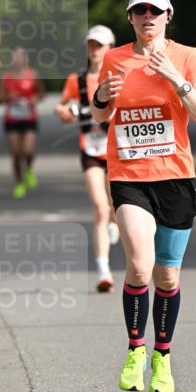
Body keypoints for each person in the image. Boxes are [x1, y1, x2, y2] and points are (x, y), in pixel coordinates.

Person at [91, 0, 196, 392]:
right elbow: (102, 116)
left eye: (155, 11)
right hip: (129, 176)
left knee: (166, 275)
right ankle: (135, 350)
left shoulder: (188, 57)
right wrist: (100, 99)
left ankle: (162, 356)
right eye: (139, 11)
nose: (148, 17)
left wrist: (176, 78)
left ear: (168, 16)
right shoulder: (114, 58)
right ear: (130, 17)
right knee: (140, 266)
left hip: (176, 178)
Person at [55, 25, 120, 293]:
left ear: (110, 49)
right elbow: (61, 105)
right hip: (91, 150)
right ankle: (103, 269)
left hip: (118, 150)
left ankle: (114, 222)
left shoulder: (118, 77)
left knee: (116, 207)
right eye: (91, 45)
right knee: (99, 208)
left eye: (100, 45)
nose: (95, 50)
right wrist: (64, 112)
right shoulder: (77, 80)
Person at [0, 47, 45, 198]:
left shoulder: (32, 75)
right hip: (12, 119)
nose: (18, 59)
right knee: (16, 153)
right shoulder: (6, 76)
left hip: (29, 118)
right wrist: (9, 97)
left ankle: (28, 169)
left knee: (28, 151)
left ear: (25, 59)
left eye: (21, 56)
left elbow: (41, 93)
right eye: (15, 57)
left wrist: (32, 100)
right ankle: (19, 182)